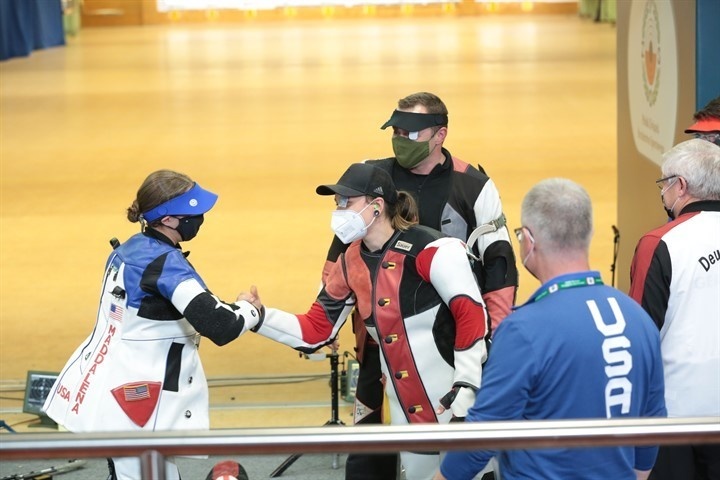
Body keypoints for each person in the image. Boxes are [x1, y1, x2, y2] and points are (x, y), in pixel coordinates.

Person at [246, 163, 489, 480]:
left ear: (377, 206)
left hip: (462, 408)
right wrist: (259, 316)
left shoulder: (433, 249)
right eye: (337, 203)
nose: (339, 209)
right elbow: (316, 330)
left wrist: (467, 389)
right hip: (409, 422)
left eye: (347, 201)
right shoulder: (350, 260)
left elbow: (471, 313)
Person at [321, 92, 517, 480]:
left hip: (451, 341)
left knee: (459, 439)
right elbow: (339, 252)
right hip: (379, 335)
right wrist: (329, 319)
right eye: (395, 129)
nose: (399, 137)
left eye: (410, 131)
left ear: (440, 134)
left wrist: (495, 335)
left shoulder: (474, 185)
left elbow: (500, 267)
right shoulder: (370, 175)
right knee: (369, 437)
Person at [435, 178, 666, 480]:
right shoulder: (637, 319)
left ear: (529, 240)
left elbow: (484, 435)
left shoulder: (524, 330)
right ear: (587, 234)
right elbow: (652, 423)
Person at [42, 170, 263, 480]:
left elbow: (183, 307)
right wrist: (249, 310)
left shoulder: (131, 248)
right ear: (170, 219)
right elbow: (220, 326)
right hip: (135, 402)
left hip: (108, 391)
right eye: (193, 211)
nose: (199, 218)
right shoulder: (165, 264)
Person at [629, 139, 720, 480]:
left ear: (679, 186)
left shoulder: (660, 242)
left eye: (663, 184)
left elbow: (639, 334)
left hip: (674, 418)